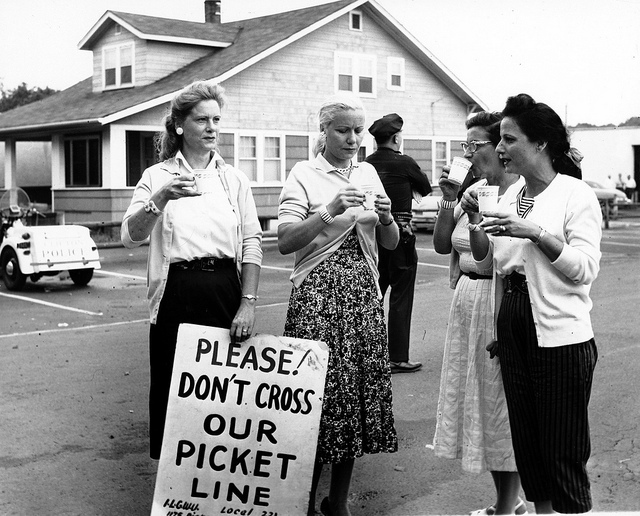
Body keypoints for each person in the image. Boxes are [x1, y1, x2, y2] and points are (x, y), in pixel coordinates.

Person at [466, 93, 601, 514]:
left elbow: (584, 269)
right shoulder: (510, 196)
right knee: (528, 447)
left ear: (540, 143)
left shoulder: (575, 195)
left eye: (508, 139)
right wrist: (473, 219)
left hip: (561, 333)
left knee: (562, 450)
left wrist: (537, 233)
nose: (499, 148)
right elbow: (494, 265)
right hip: (515, 325)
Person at [120, 81, 262, 460]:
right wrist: (162, 197)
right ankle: (176, 499)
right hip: (175, 295)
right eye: (202, 120)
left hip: (224, 292)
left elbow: (251, 243)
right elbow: (129, 237)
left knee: (225, 398)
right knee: (175, 398)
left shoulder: (233, 179)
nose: (212, 127)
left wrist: (247, 303)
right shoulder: (156, 176)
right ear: (180, 125)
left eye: (217, 119)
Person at [277, 92, 399, 516]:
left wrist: (385, 218)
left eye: (358, 131)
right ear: (324, 131)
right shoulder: (304, 173)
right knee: (314, 399)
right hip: (317, 294)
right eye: (342, 130)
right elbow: (285, 241)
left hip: (362, 292)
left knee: (355, 397)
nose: (352, 139)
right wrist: (328, 211)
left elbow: (391, 242)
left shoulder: (367, 172)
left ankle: (339, 502)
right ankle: (301, 502)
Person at [432, 111, 525, 515]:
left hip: (496, 297)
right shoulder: (473, 190)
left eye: (477, 146)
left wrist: (473, 219)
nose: (469, 153)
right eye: (464, 146)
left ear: (498, 147)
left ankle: (507, 505)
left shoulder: (515, 194)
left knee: (500, 402)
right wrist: (450, 197)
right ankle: (510, 501)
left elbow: (491, 264)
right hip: (467, 301)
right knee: (479, 405)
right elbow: (440, 246)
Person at [365, 113, 432, 374]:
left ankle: (369, 355)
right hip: (401, 234)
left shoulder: (366, 164)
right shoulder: (404, 162)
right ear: (396, 138)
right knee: (401, 296)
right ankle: (398, 357)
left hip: (373, 236)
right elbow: (425, 187)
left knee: (374, 295)